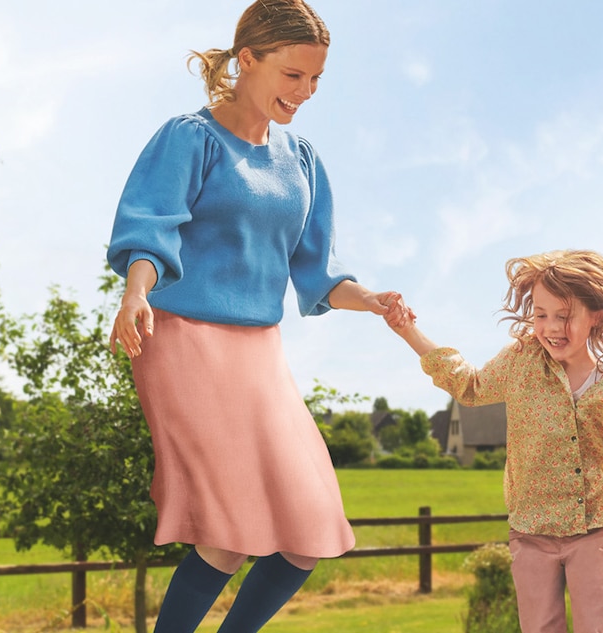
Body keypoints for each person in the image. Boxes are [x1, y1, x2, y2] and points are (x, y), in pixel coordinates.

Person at [104, 1, 400, 631]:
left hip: (260, 351)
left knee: (309, 529)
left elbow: (318, 272)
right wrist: (135, 293)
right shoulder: (190, 138)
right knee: (228, 532)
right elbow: (151, 234)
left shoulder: (303, 161)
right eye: (293, 75)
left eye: (316, 79)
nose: (306, 92)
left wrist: (369, 300)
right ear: (247, 61)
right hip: (183, 340)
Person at [382, 249, 603, 633]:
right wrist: (407, 330)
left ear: (598, 314)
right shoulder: (522, 361)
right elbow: (470, 385)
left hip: (596, 530)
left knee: (596, 627)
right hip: (531, 531)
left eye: (564, 316)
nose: (551, 327)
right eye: (541, 315)